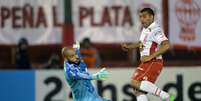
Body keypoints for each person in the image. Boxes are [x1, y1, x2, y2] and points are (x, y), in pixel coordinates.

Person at [121, 8, 175, 101]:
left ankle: (167, 97)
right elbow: (142, 43)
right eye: (140, 17)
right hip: (148, 62)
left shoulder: (156, 30)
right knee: (137, 90)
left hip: (153, 61)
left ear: (151, 17)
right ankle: (166, 97)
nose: (142, 19)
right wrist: (129, 47)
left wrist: (150, 56)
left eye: (144, 16)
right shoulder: (146, 29)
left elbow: (166, 45)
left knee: (135, 82)